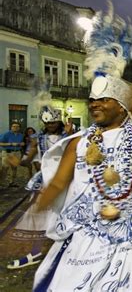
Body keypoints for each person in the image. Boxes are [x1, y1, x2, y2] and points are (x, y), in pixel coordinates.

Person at [32, 3, 132, 291]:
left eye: (103, 100)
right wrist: (33, 215)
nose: (95, 105)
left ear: (121, 106)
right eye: (92, 101)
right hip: (86, 241)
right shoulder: (78, 142)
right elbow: (58, 184)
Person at [6, 108, 73, 270]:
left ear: (59, 122)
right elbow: (28, 159)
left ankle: (69, 252)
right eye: (47, 122)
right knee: (39, 217)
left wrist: (71, 133)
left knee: (67, 216)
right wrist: (18, 162)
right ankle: (35, 252)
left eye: (53, 122)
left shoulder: (71, 137)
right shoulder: (37, 139)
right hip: (45, 182)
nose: (50, 125)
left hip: (67, 182)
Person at [0, 122, 24, 187]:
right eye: (14, 126)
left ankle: (12, 182)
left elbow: (22, 143)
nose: (15, 128)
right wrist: (10, 144)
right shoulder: (6, 134)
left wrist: (22, 144)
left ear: (19, 128)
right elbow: (0, 143)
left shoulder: (21, 135)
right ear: (11, 127)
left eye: (17, 126)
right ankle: (1, 182)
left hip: (17, 153)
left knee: (14, 168)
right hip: (7, 153)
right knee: (5, 168)